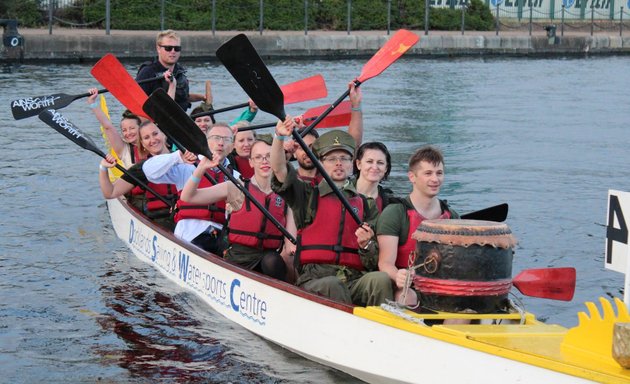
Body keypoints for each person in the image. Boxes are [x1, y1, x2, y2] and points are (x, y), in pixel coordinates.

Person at [270, 119, 393, 306]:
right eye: (331, 159)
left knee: (380, 280)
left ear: (352, 164)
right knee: (333, 285)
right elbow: (279, 170)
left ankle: (385, 329)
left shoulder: (366, 204)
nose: (338, 164)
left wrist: (366, 245)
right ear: (320, 162)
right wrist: (279, 137)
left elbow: (373, 260)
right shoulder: (307, 195)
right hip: (316, 279)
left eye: (344, 158)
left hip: (353, 279)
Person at [181, 136, 297, 281]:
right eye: (258, 157)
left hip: (269, 257)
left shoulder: (285, 193)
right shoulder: (235, 187)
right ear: (251, 162)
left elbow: (291, 241)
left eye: (268, 156)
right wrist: (201, 167)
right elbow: (188, 197)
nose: (264, 161)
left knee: (274, 261)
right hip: (237, 257)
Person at [376, 145, 459, 306]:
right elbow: (385, 263)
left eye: (439, 173)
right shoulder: (395, 213)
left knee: (464, 305)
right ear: (412, 177)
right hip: (406, 286)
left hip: (440, 286)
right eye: (428, 173)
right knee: (407, 297)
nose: (435, 179)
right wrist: (398, 275)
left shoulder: (452, 217)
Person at [142, 123, 238, 254]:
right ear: (206, 141)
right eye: (216, 138)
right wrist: (177, 156)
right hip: (189, 233)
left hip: (220, 235)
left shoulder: (236, 178)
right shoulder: (187, 166)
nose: (220, 143)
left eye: (226, 139)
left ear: (232, 147)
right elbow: (149, 172)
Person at [98, 121, 176, 230]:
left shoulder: (184, 159)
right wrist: (103, 168)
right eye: (146, 138)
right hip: (160, 222)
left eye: (155, 134)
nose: (152, 140)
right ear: (143, 144)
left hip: (186, 219)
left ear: (164, 135)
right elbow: (110, 193)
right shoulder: (142, 168)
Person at [135, 29, 205, 111]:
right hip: (156, 119)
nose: (173, 51)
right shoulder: (148, 72)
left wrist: (203, 98)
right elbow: (136, 102)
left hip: (180, 119)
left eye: (177, 48)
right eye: (168, 48)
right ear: (158, 48)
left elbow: (183, 97)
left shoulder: (180, 71)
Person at [87, 89, 142, 168]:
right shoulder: (123, 150)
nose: (128, 133)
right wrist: (92, 102)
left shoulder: (153, 142)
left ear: (141, 128)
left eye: (132, 128)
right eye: (124, 130)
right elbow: (107, 127)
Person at [352, 141, 395, 213]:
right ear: (358, 164)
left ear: (386, 168)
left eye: (380, 163)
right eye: (369, 161)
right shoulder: (341, 194)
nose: (375, 167)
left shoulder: (391, 203)